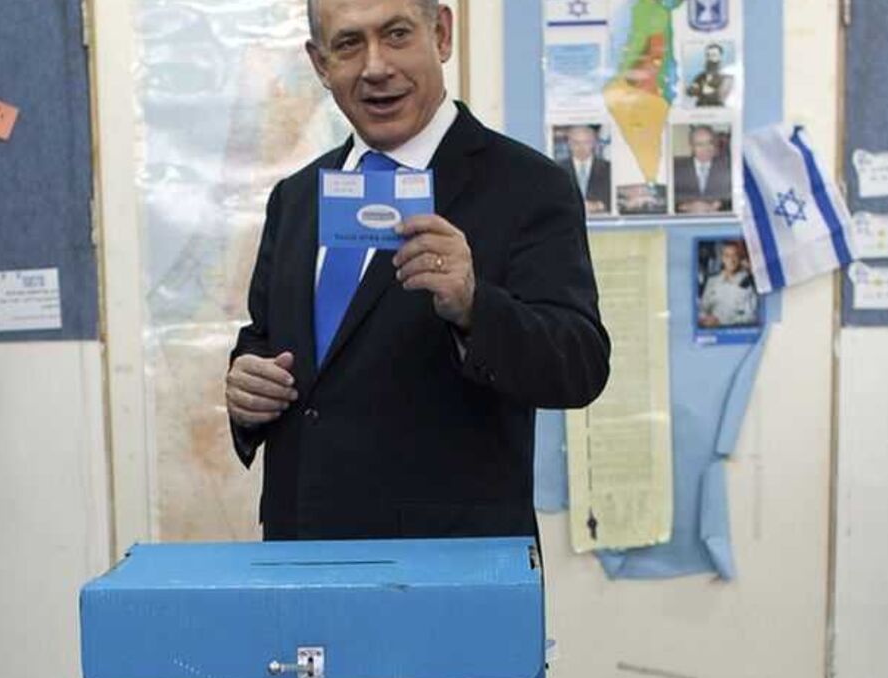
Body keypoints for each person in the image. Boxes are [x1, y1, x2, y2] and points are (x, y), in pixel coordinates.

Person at [225, 0, 610, 541]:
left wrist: (477, 308)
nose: (376, 66)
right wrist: (246, 384)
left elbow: (581, 364)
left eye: (397, 34)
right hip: (301, 557)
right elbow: (267, 340)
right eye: (349, 43)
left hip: (448, 570)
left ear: (442, 34)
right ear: (320, 64)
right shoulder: (296, 197)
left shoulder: (528, 186)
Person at [674, 124, 732, 214]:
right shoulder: (676, 167)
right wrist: (685, 206)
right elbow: (667, 199)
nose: (706, 148)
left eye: (710, 143)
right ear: (691, 147)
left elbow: (735, 198)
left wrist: (719, 205)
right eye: (700, 144)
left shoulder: (728, 166)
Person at [699, 241, 757, 327]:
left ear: (740, 259)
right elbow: (702, 308)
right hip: (710, 330)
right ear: (722, 258)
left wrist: (722, 322)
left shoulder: (748, 283)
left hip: (734, 331)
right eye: (727, 256)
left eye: (735, 256)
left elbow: (752, 316)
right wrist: (705, 319)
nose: (731, 260)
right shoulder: (712, 281)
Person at [558, 125, 612, 215]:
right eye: (576, 143)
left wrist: (600, 205)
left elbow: (613, 200)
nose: (581, 147)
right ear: (569, 144)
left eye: (586, 142)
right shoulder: (558, 169)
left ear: (594, 143)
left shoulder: (608, 168)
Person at [685, 43, 734, 108]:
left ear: (720, 57)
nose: (710, 58)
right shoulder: (700, 76)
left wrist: (699, 91)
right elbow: (690, 92)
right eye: (708, 55)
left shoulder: (727, 77)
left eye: (714, 55)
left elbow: (718, 96)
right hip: (699, 111)